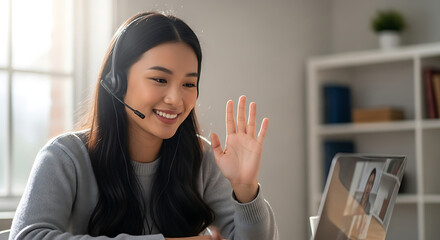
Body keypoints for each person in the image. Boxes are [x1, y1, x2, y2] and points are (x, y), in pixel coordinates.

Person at [9, 12, 278, 240]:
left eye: (188, 84)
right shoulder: (64, 157)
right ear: (116, 82)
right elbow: (27, 236)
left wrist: (245, 190)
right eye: (160, 80)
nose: (176, 99)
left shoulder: (203, 158)